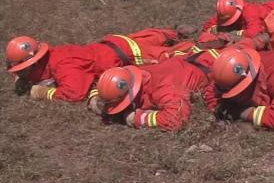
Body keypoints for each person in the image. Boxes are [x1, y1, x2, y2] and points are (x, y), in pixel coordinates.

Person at [4, 27, 197, 102]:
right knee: (157, 34)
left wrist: (45, 92)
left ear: (34, 64)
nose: (23, 75)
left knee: (183, 55)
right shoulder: (55, 54)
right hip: (117, 41)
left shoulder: (62, 65)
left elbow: (74, 92)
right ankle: (176, 32)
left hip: (131, 54)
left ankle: (209, 42)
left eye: (24, 70)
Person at [90, 49, 218, 131]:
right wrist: (96, 96)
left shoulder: (164, 89)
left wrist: (139, 119)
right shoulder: (132, 74)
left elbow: (176, 119)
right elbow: (111, 78)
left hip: (207, 64)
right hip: (181, 60)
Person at [198, 0, 274, 46]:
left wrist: (234, 33)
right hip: (269, 8)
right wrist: (214, 30)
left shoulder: (250, 11)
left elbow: (254, 32)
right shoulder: (226, 11)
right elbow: (208, 26)